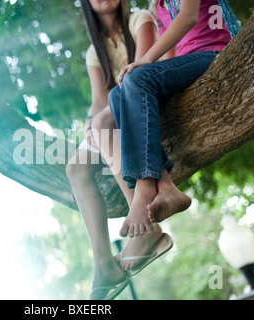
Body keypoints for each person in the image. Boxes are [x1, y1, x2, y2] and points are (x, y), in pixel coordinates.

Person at [106, 0, 237, 273]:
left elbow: (188, 17)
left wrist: (145, 61)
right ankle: (165, 186)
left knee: (136, 77)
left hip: (214, 54)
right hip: (186, 65)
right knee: (119, 93)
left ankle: (143, 188)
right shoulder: (158, 5)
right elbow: (172, 53)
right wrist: (148, 81)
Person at [66, 0, 159, 299]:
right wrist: (89, 121)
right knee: (75, 167)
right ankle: (104, 264)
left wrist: (100, 120)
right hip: (111, 113)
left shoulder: (140, 19)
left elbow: (145, 69)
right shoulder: (94, 52)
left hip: (144, 101)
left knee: (103, 124)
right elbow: (98, 99)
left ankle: (146, 228)